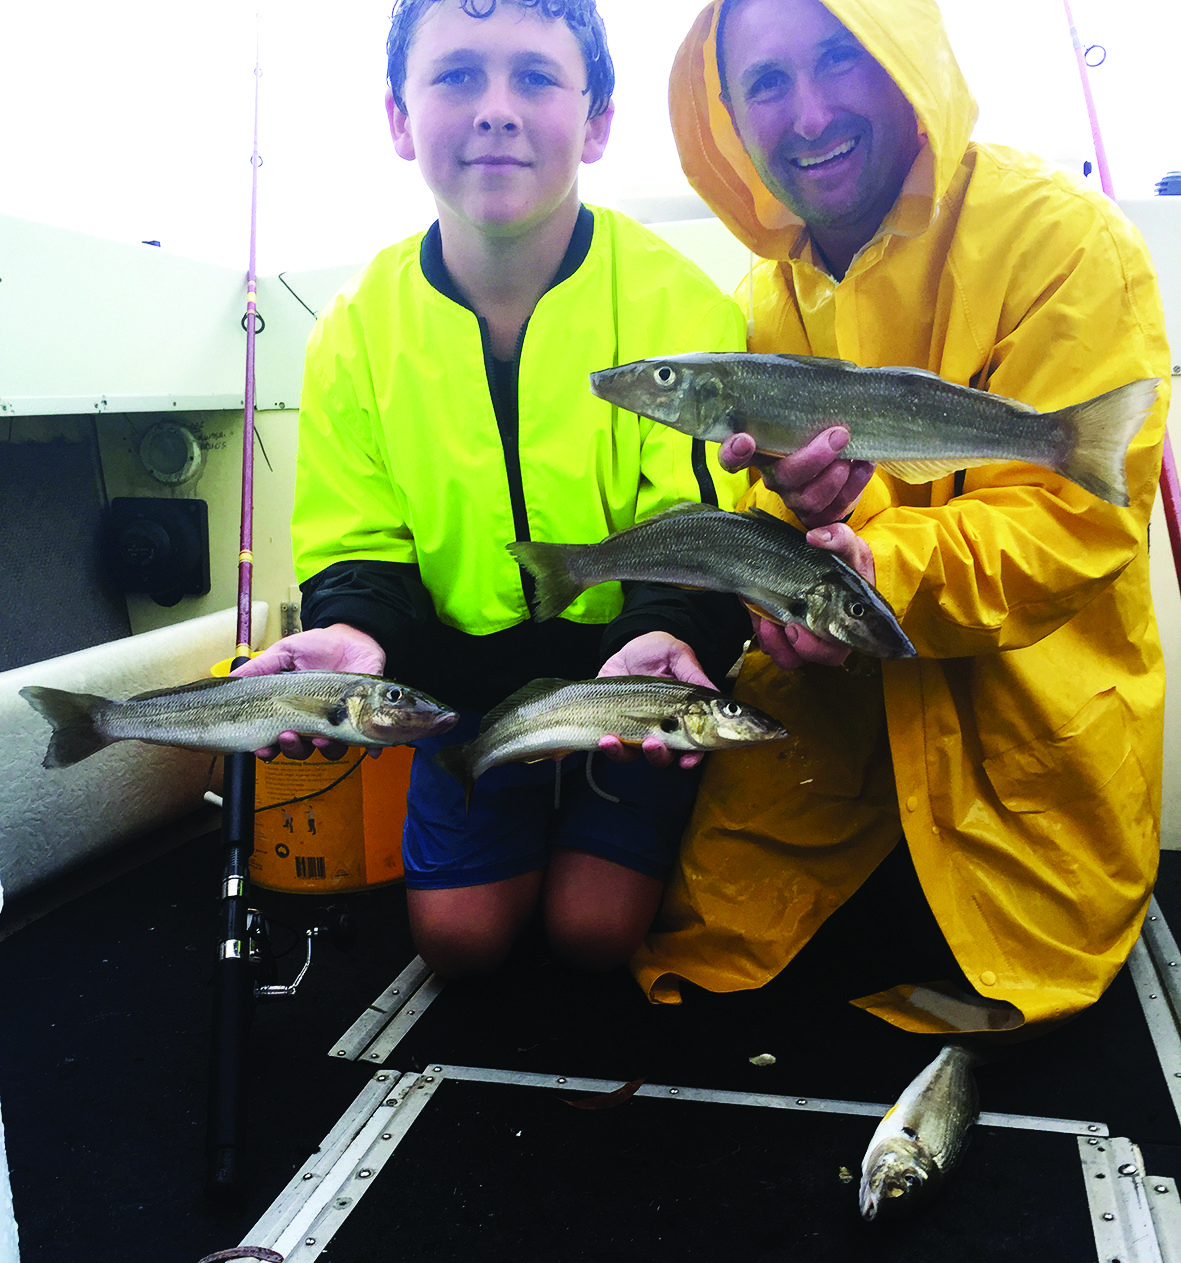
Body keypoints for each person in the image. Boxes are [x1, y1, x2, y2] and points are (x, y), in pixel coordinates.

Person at [631, 0, 1171, 1038]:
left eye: (839, 56)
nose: (808, 112)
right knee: (709, 957)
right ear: (726, 116)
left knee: (1001, 997)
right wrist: (776, 598)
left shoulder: (1060, 240)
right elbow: (751, 504)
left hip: (1024, 761)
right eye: (765, 83)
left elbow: (1071, 527)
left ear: (902, 57)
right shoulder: (758, 300)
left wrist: (871, 562)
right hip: (832, 741)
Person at [233, 0, 752, 978]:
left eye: (536, 77)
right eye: (458, 74)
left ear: (596, 121)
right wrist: (354, 636)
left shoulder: (679, 309)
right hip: (454, 692)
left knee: (592, 937)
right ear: (398, 117)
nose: (496, 110)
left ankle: (619, 808)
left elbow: (695, 530)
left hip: (624, 684)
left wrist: (668, 633)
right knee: (460, 947)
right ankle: (511, 796)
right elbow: (358, 543)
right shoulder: (353, 332)